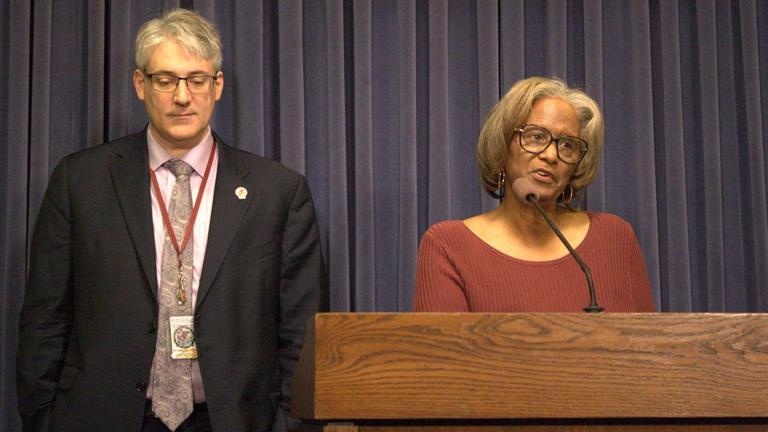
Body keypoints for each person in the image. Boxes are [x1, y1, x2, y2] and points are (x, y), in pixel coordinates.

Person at [16, 8, 326, 432]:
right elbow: (44, 320)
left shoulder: (278, 192)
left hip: (234, 420)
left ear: (216, 86)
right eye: (166, 80)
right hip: (102, 417)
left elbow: (301, 333)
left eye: (197, 80)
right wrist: (43, 418)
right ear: (141, 84)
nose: (182, 97)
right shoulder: (79, 181)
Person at [413, 76, 655, 313]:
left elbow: (649, 346)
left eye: (568, 145)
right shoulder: (449, 246)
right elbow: (442, 352)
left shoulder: (614, 238)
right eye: (536, 137)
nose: (551, 155)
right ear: (503, 146)